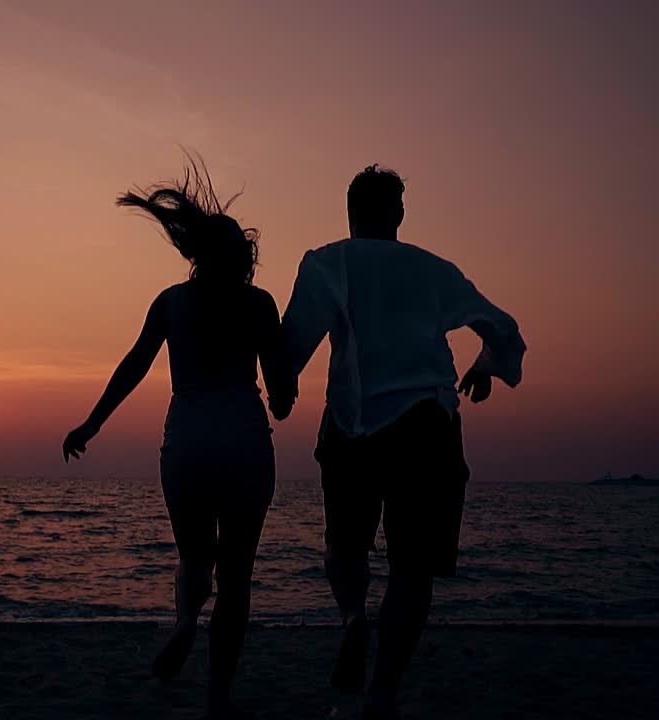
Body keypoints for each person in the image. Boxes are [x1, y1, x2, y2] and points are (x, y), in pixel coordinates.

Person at [280, 165, 526, 719]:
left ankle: (352, 618)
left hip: (353, 423)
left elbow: (293, 343)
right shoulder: (435, 269)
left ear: (350, 212)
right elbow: (503, 328)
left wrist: (280, 387)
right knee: (412, 571)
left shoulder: (327, 261)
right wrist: (485, 367)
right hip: (428, 425)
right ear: (398, 215)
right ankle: (383, 694)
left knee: (343, 549)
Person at [62, 156, 295, 719]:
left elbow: (133, 367)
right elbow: (283, 398)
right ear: (243, 257)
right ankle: (218, 696)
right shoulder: (260, 305)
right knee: (237, 574)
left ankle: (187, 621)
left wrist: (90, 425)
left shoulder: (171, 302)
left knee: (195, 558)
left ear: (193, 255)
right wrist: (283, 393)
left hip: (187, 447)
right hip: (243, 445)